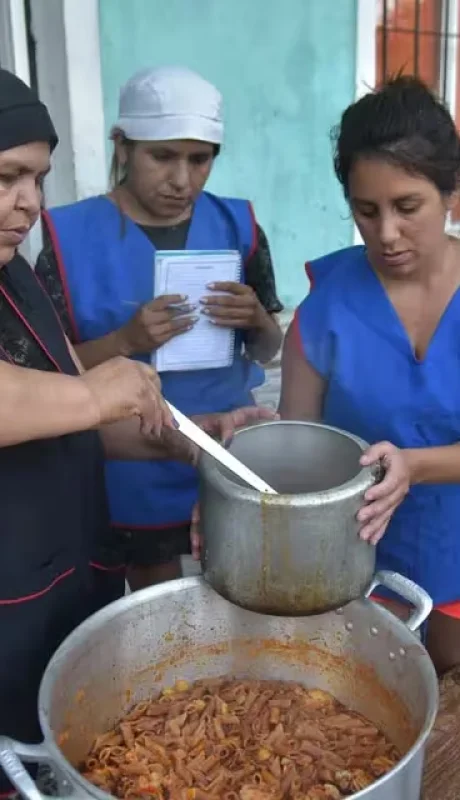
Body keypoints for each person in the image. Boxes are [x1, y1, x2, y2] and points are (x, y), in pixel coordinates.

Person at [0, 67, 272, 797]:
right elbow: (62, 394)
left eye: (36, 179)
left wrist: (197, 436)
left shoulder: (12, 277)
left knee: (78, 723)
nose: (26, 203)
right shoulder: (60, 241)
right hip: (23, 580)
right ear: (124, 148)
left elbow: (57, 418)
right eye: (7, 177)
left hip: (72, 549)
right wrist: (106, 372)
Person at [35, 65, 283, 591]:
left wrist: (258, 320)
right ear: (122, 147)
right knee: (154, 610)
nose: (182, 180)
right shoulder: (68, 239)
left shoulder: (240, 228)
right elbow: (42, 376)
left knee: (235, 595)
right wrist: (125, 342)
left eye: (200, 160)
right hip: (126, 466)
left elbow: (268, 349)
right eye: (162, 156)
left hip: (224, 456)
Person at [279, 75, 460, 675]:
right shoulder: (325, 313)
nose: (386, 233)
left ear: (451, 192)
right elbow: (293, 458)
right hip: (362, 569)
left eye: (408, 207)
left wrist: (417, 465)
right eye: (366, 210)